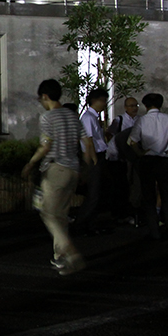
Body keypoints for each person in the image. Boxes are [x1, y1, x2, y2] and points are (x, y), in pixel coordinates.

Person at [22, 79, 94, 276]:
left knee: (48, 213)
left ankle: (70, 251)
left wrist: (30, 163)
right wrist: (85, 169)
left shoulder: (48, 117)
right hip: (73, 170)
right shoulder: (73, 116)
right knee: (60, 215)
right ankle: (60, 257)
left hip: (56, 170)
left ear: (45, 97)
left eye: (41, 100)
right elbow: (87, 144)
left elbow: (45, 146)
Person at [129, 94, 168, 240]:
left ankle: (154, 231)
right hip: (165, 160)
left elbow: (132, 141)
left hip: (148, 160)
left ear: (145, 106)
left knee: (149, 198)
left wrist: (140, 153)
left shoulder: (142, 120)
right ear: (160, 104)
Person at [73, 88, 109, 235]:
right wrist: (93, 160)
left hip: (98, 156)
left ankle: (89, 224)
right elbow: (88, 140)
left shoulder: (93, 117)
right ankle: (81, 225)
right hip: (95, 157)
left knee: (97, 193)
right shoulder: (88, 117)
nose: (105, 104)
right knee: (93, 194)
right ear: (96, 101)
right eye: (103, 100)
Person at [105, 97, 140, 224]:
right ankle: (118, 212)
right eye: (131, 106)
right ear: (125, 107)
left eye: (136, 105)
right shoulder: (120, 120)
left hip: (130, 157)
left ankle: (126, 211)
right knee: (119, 185)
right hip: (117, 157)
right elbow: (111, 135)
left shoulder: (139, 120)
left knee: (129, 185)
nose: (134, 108)